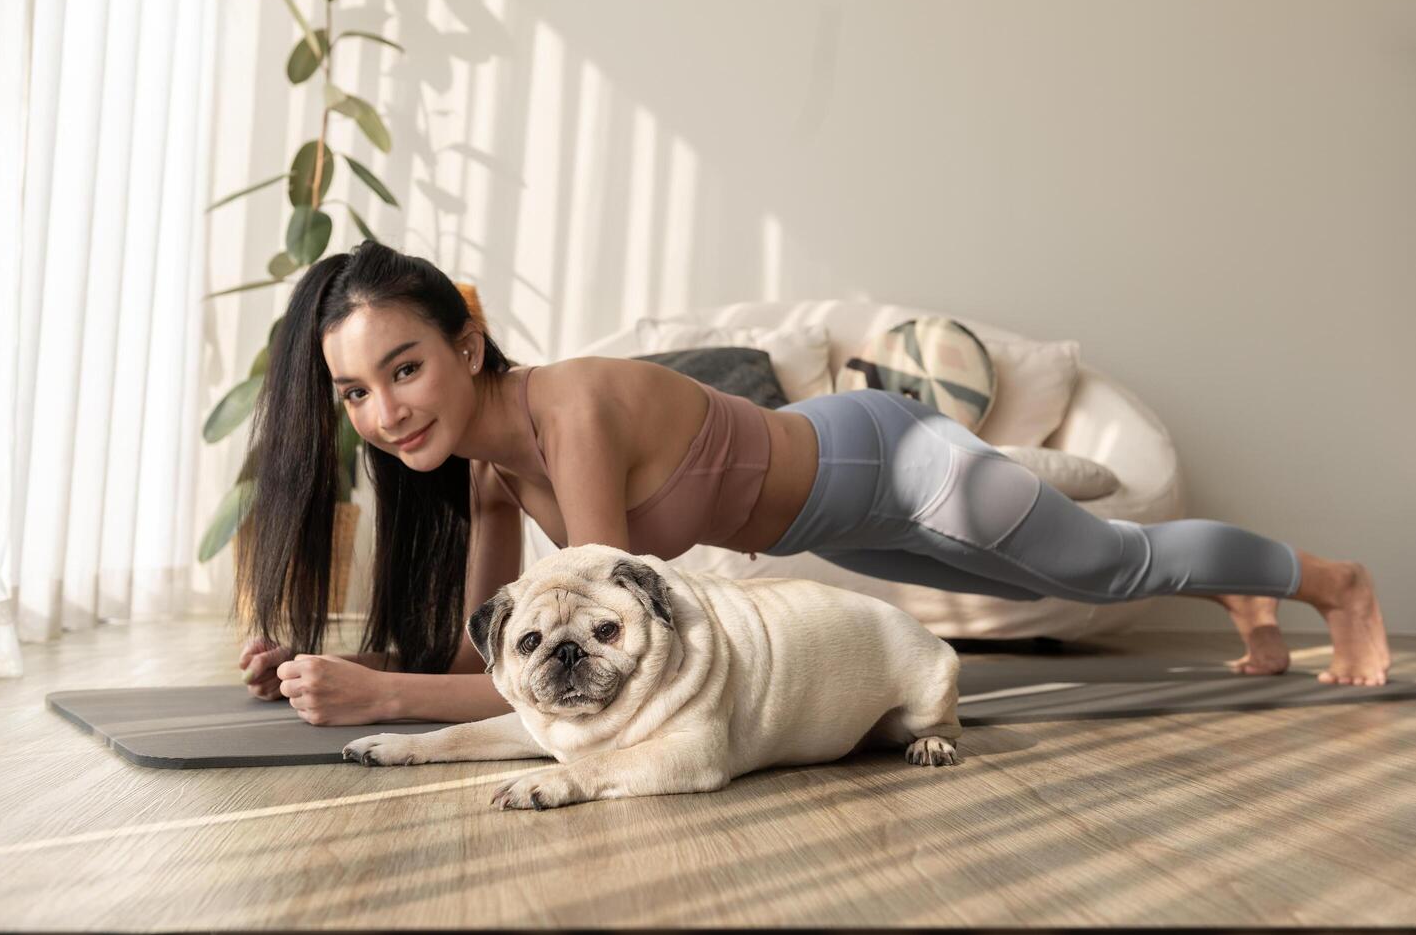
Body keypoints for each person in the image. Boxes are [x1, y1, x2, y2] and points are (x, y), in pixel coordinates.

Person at [236, 240, 1391, 727]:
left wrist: (387, 703)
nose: (386, 412)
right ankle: (1233, 592)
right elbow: (492, 665)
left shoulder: (571, 407)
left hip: (891, 460)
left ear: (467, 347)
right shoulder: (490, 476)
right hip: (844, 523)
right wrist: (340, 669)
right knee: (1110, 569)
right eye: (356, 393)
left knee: (1110, 566)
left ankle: (1328, 582)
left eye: (405, 368)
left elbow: (603, 660)